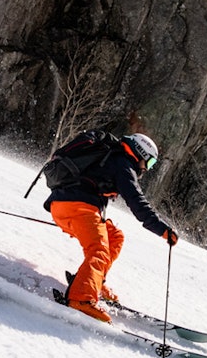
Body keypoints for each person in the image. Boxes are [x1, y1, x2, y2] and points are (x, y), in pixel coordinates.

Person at [44, 132, 177, 323]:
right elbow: (137, 202)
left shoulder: (114, 158)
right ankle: (81, 299)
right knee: (99, 248)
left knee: (114, 237)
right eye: (149, 163)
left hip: (67, 204)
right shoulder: (123, 164)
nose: (147, 169)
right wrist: (163, 230)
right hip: (77, 206)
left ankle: (94, 282)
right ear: (140, 152)